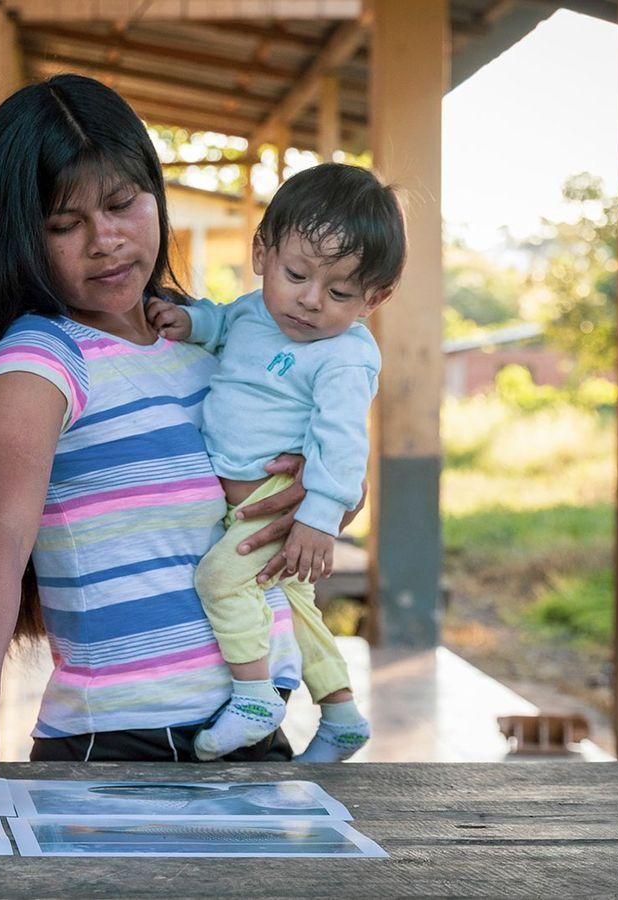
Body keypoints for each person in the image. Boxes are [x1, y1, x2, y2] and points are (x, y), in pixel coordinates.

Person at [0, 75, 363, 827]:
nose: (105, 240)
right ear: (17, 235)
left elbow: (307, 472)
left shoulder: (211, 343)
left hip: (254, 730)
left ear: (156, 197)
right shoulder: (41, 361)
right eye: (62, 222)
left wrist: (319, 490)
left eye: (121, 204)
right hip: (115, 746)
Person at [144, 162, 405, 762]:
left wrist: (318, 516)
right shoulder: (256, 312)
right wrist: (189, 322)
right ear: (262, 252)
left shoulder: (343, 356)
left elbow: (342, 442)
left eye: (339, 292)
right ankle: (341, 714)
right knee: (295, 604)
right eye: (296, 275)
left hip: (274, 504)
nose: (310, 302)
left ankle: (254, 695)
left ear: (375, 298)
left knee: (218, 580)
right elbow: (222, 322)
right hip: (246, 507)